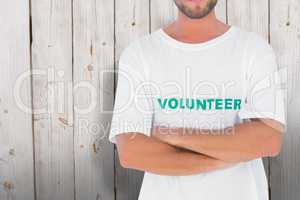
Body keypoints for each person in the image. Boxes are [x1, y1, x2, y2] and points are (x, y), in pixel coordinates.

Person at [109, 0, 286, 199]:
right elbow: (131, 152)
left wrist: (174, 135)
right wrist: (224, 157)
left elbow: (269, 139)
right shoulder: (140, 54)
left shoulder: (254, 49)